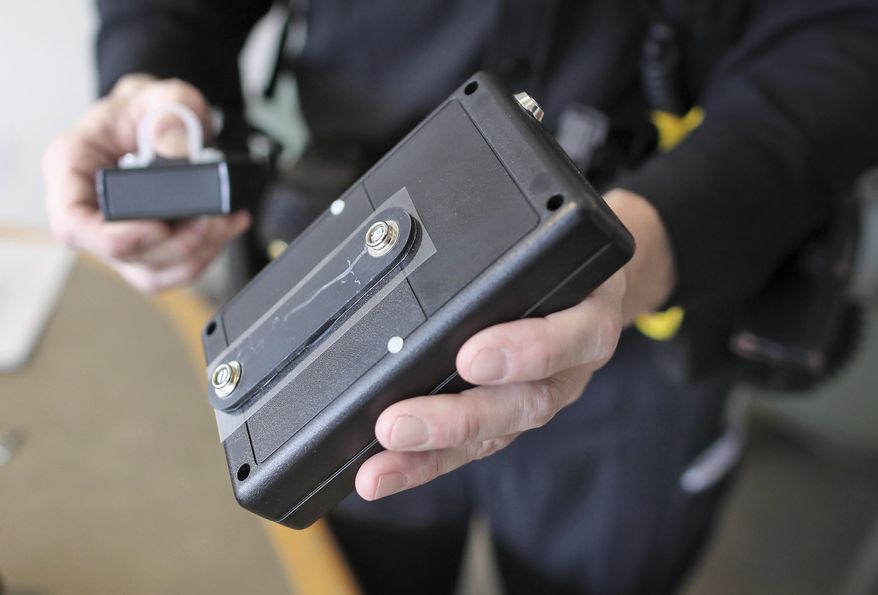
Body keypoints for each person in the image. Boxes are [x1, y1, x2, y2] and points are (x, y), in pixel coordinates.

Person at [42, 1, 878, 593]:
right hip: (339, 297)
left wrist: (639, 247)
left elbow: (846, 32)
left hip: (651, 311)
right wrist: (153, 82)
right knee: (357, 565)